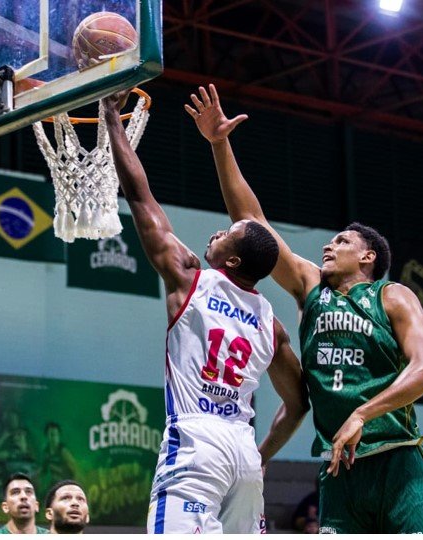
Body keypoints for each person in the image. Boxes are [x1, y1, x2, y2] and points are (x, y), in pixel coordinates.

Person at [186, 83, 423, 533]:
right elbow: (253, 226)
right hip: (338, 468)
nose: (330, 244)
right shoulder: (311, 288)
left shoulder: (392, 296)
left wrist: (362, 413)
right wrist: (219, 144)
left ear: (368, 258)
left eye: (343, 241)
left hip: (396, 458)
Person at [102, 91, 310, 534]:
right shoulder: (270, 324)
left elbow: (141, 199)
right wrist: (262, 453)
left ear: (232, 261)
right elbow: (298, 404)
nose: (218, 231)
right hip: (243, 451)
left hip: (197, 441)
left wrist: (112, 120)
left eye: (227, 234)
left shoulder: (190, 278)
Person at [37, 423, 79, 495]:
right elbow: (43, 470)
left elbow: (75, 470)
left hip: (66, 484)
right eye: (51, 435)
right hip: (54, 484)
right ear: (47, 436)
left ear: (59, 436)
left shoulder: (63, 452)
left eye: (55, 435)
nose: (53, 438)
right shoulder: (46, 452)